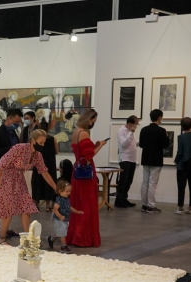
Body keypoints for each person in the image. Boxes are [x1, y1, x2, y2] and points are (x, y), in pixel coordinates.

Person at [0, 128, 57, 245]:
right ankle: (1, 238)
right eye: (40, 142)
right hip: (7, 179)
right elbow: (2, 162)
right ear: (33, 141)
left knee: (27, 208)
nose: (42, 145)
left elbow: (44, 172)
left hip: (20, 180)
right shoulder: (19, 148)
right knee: (8, 210)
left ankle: (29, 239)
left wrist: (55, 186)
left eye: (44, 143)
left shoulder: (37, 155)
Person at [68, 109, 105, 248]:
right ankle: (82, 237)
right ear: (89, 119)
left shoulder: (76, 132)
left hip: (77, 170)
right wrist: (100, 146)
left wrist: (93, 146)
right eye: (93, 120)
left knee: (78, 202)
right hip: (86, 172)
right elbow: (89, 156)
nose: (93, 123)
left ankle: (75, 234)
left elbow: (82, 152)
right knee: (87, 204)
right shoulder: (84, 133)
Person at [0, 108, 23, 239]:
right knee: (0, 200)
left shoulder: (13, 132)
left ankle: (6, 227)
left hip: (13, 169)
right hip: (1, 169)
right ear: (9, 118)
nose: (18, 123)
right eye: (16, 121)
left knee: (9, 200)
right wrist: (11, 149)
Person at [138, 109, 167, 214]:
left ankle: (144, 204)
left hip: (146, 158)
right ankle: (151, 205)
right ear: (159, 117)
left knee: (145, 182)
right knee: (153, 183)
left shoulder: (144, 130)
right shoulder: (161, 131)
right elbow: (165, 144)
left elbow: (141, 144)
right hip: (156, 159)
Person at [46, 180, 82, 254]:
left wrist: (76, 211)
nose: (69, 193)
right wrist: (60, 216)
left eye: (69, 191)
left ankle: (51, 239)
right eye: (67, 191)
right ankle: (63, 246)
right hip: (59, 220)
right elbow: (55, 209)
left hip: (65, 220)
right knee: (63, 234)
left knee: (60, 233)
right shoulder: (59, 200)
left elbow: (69, 207)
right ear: (60, 191)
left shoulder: (66, 199)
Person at [30, 120, 58, 211]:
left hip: (37, 164)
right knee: (48, 184)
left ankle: (35, 204)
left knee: (36, 183)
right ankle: (47, 205)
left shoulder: (34, 141)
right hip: (49, 163)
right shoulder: (52, 139)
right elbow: (56, 151)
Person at [114, 116, 139, 209]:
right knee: (123, 181)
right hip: (125, 158)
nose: (135, 127)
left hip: (132, 159)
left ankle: (124, 198)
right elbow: (124, 144)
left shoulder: (130, 132)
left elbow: (133, 143)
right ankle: (119, 200)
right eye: (135, 125)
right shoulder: (121, 131)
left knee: (129, 180)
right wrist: (130, 133)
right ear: (129, 124)